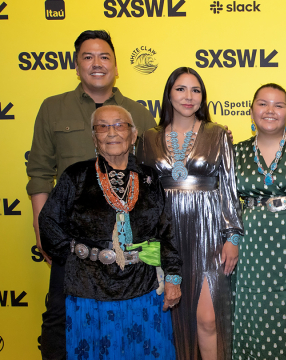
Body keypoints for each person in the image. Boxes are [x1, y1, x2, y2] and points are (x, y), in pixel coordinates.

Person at [27, 30, 157, 360]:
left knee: (128, 321)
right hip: (73, 240)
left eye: (104, 57)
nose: (96, 63)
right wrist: (43, 229)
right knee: (60, 319)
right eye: (88, 57)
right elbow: (40, 174)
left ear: (115, 66)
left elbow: (156, 175)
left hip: (126, 243)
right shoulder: (53, 108)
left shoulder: (139, 114)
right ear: (76, 65)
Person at [39, 105, 181, 359]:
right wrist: (75, 258)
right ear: (94, 138)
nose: (111, 132)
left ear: (133, 135)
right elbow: (49, 222)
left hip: (144, 287)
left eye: (119, 125)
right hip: (88, 290)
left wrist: (173, 278)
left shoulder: (149, 178)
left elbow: (165, 232)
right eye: (102, 127)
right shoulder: (76, 176)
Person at [137, 67, 243, 360]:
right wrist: (145, 243)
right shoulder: (147, 138)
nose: (188, 96)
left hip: (207, 231)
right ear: (169, 94)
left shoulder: (218, 133)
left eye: (196, 90)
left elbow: (229, 188)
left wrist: (232, 235)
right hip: (164, 235)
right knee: (168, 321)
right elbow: (143, 195)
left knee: (208, 320)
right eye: (181, 89)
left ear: (203, 97)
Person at [232, 83, 286, 360]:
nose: (270, 110)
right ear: (251, 110)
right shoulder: (234, 152)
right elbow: (226, 203)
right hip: (250, 243)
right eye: (263, 104)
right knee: (253, 310)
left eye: (278, 105)